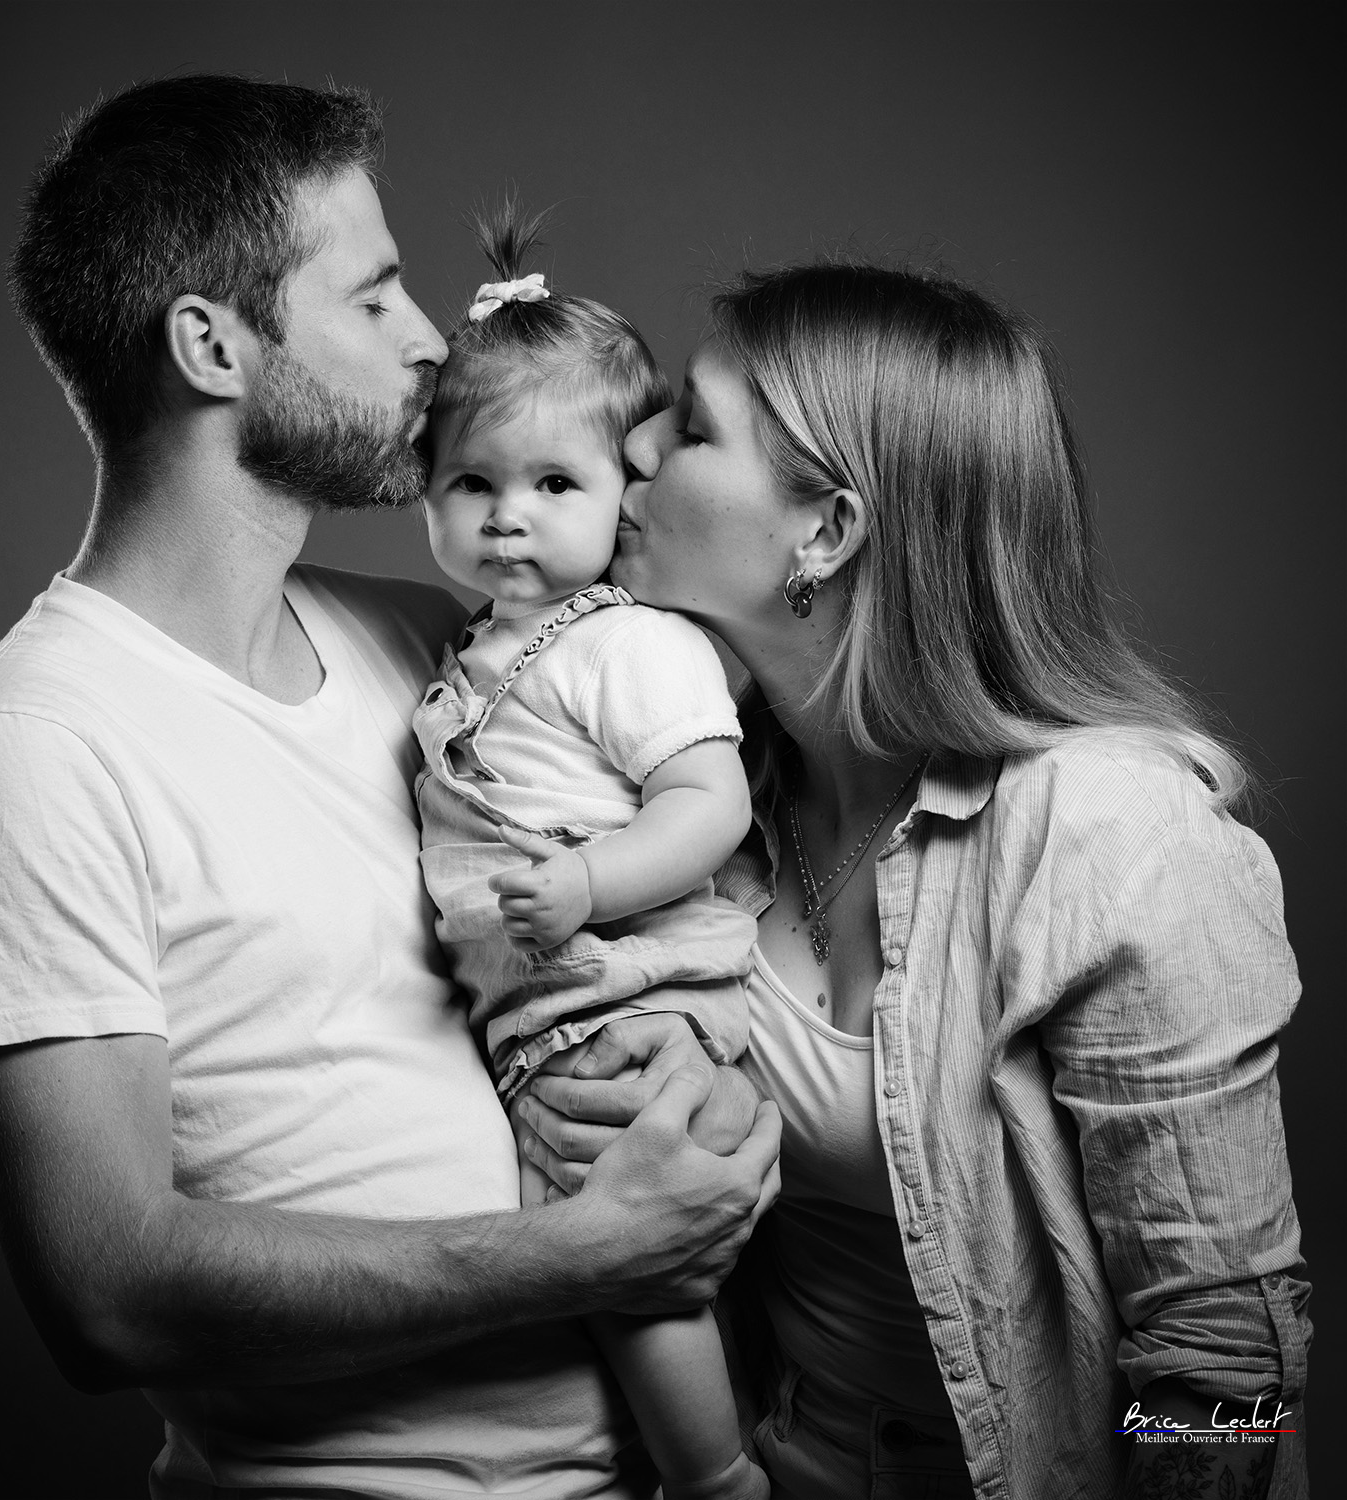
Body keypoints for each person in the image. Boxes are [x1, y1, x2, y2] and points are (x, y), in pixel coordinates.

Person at [0, 75, 781, 1498]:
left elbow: (725, 752)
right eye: (372, 297)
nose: (433, 342)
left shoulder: (435, 649)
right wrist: (587, 1253)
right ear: (211, 344)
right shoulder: (30, 745)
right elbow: (106, 1294)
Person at [517, 262, 1311, 1497]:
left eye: (695, 422)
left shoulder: (1113, 832)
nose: (636, 436)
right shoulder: (698, 808)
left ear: (824, 533)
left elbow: (1228, 1373)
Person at [414, 206, 766, 1500]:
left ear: (625, 498)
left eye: (556, 485)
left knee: (624, 1265)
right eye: (474, 483)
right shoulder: (473, 658)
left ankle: (716, 1479)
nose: (510, 519)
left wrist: (587, 883)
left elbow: (708, 805)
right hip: (553, 1014)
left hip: (628, 1005)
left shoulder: (626, 645)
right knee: (594, 1263)